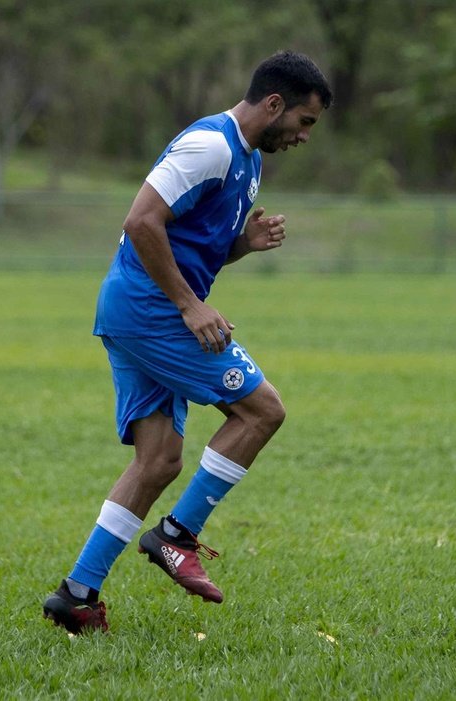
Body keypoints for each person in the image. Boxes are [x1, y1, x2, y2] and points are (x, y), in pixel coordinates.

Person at [42, 51, 333, 633]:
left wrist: (242, 244)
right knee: (261, 411)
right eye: (305, 121)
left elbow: (189, 241)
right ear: (274, 105)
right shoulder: (212, 146)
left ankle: (77, 595)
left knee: (158, 462)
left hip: (137, 312)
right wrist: (189, 304)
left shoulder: (248, 162)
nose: (304, 136)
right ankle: (177, 535)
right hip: (150, 312)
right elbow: (141, 221)